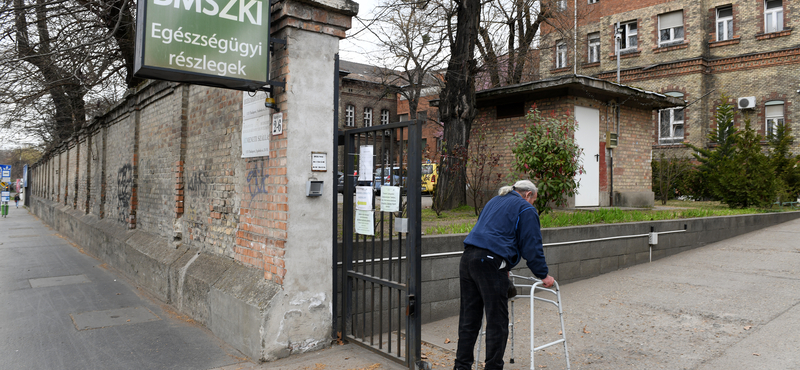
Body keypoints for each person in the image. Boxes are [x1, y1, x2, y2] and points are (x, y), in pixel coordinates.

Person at [454, 180, 554, 370]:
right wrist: (544, 275)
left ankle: (461, 366)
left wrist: (504, 264)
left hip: (468, 258)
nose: (532, 204)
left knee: (469, 318)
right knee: (497, 320)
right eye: (533, 200)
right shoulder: (525, 208)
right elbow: (531, 245)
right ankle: (493, 367)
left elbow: (491, 231)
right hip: (490, 261)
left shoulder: (494, 201)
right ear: (528, 195)